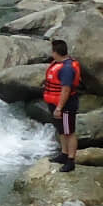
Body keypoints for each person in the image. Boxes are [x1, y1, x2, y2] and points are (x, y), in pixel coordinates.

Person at [42, 38, 81, 172]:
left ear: (55, 52)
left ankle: (71, 160)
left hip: (65, 106)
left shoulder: (67, 69)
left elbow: (66, 90)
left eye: (52, 51)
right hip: (55, 103)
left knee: (69, 132)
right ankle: (64, 154)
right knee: (61, 130)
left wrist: (59, 108)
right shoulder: (59, 64)